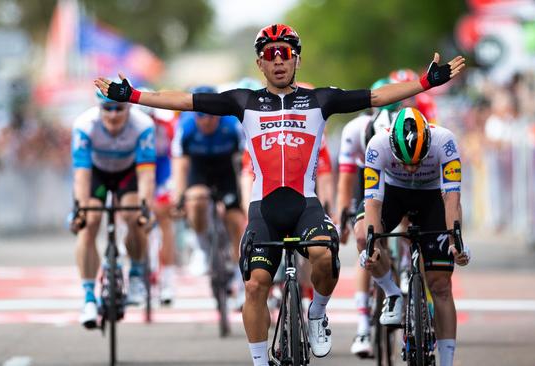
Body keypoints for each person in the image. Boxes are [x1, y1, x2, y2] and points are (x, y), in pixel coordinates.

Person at [94, 23, 465, 365]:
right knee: (255, 284)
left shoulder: (322, 99)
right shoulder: (244, 101)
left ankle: (317, 313)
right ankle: (259, 361)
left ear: (296, 59)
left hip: (305, 204)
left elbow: (378, 95)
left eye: (285, 54)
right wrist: (134, 95)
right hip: (263, 208)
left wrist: (424, 82)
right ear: (260, 63)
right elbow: (185, 101)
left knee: (324, 256)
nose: (278, 61)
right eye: (270, 55)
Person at [360, 107, 471, 366]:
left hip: (433, 197)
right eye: (404, 161)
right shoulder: (377, 145)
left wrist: (456, 241)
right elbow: (373, 204)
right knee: (364, 238)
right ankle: (392, 293)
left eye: (417, 161)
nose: (411, 168)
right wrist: (372, 243)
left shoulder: (445, 141)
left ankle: (447, 362)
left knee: (441, 286)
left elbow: (452, 199)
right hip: (394, 195)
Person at [70, 89, 156, 329]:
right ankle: (88, 297)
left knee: (133, 213)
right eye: (107, 108)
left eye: (119, 108)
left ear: (129, 108)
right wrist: (80, 209)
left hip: (127, 175)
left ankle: (137, 274)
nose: (113, 114)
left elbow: (146, 174)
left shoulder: (143, 125)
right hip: (96, 174)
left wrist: (145, 208)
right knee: (90, 220)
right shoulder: (85, 125)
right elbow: (81, 176)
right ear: (99, 108)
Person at [334, 77, 400, 357]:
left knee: (412, 227)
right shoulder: (354, 131)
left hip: (401, 175)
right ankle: (363, 324)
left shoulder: (404, 125)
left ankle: (409, 274)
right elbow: (345, 181)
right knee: (367, 239)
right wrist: (342, 220)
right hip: (367, 176)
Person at [170, 85, 247, 304]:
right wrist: (179, 196)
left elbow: (245, 161)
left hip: (226, 171)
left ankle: (240, 278)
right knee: (196, 200)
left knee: (235, 220)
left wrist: (245, 195)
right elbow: (180, 164)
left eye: (211, 117)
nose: (206, 122)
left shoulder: (232, 125)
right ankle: (203, 247)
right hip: (199, 169)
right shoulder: (186, 127)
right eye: (200, 117)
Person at [136, 101, 179, 305]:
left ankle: (168, 280)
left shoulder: (166, 126)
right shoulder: (131, 127)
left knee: (164, 219)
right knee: (132, 215)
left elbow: (176, 157)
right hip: (138, 172)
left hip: (162, 172)